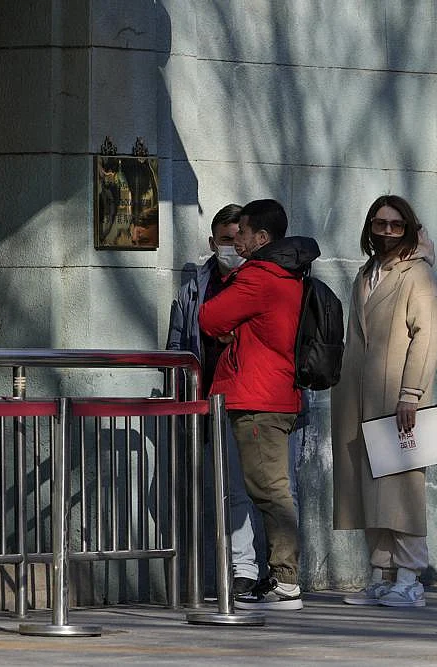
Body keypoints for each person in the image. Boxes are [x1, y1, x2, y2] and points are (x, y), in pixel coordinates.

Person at [199, 198, 319, 611]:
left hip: (258, 397)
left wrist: (232, 330)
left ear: (263, 237)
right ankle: (280, 578)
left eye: (245, 232)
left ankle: (285, 583)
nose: (239, 240)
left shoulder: (260, 277)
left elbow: (210, 318)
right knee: (269, 489)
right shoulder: (288, 275)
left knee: (269, 491)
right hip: (275, 394)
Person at [331, 194, 437, 608]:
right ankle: (380, 574)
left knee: (402, 486)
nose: (387, 231)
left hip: (399, 395)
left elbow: (425, 337)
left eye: (397, 225)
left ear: (410, 228)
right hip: (358, 394)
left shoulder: (418, 276)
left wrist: (411, 393)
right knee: (368, 486)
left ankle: (411, 577)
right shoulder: (367, 272)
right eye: (380, 223)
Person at [167, 203, 264, 594]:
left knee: (261, 489)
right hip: (209, 400)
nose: (233, 247)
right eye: (226, 239)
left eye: (238, 238)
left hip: (253, 398)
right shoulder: (194, 288)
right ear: (212, 241)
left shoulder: (259, 281)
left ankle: (266, 569)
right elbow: (176, 342)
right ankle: (242, 570)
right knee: (229, 489)